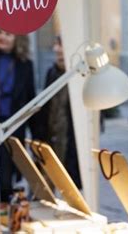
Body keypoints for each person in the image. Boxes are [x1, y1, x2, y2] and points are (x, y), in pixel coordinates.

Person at [0, 29, 36, 202]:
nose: (2, 37)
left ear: (18, 39)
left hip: (12, 127)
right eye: (0, 33)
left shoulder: (25, 65)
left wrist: (37, 133)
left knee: (6, 176)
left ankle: (3, 214)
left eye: (9, 34)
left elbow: (30, 99)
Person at [32, 38, 82, 188]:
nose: (58, 51)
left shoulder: (79, 76)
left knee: (70, 185)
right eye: (57, 47)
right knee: (46, 183)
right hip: (51, 138)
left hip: (70, 140)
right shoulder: (52, 73)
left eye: (62, 48)